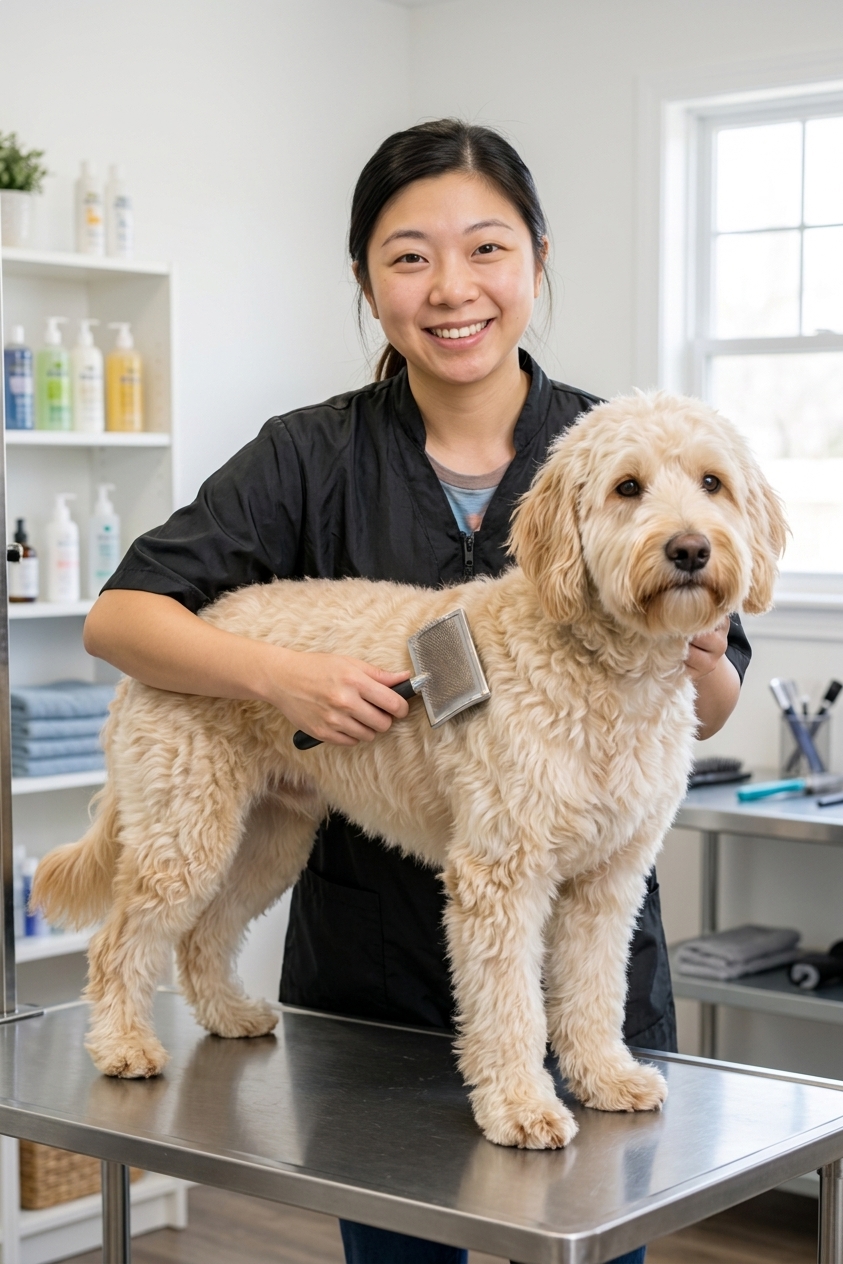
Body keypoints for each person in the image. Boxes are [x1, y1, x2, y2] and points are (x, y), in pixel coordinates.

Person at [85, 119, 750, 1264]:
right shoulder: (306, 454)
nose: (454, 288)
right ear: (366, 280)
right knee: (187, 869)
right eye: (409, 255)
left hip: (598, 993)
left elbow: (721, 692)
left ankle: (583, 1047)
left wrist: (684, 642)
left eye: (487, 249)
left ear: (538, 259)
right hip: (368, 1007)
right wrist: (281, 677)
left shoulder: (616, 439)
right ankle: (142, 983)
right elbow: (117, 617)